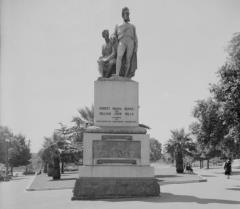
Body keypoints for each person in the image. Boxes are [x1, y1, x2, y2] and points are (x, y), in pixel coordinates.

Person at [112, 7, 138, 78]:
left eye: (128, 13)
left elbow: (135, 37)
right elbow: (114, 34)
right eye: (126, 13)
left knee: (128, 59)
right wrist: (113, 37)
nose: (127, 15)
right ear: (123, 15)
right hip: (122, 41)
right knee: (119, 56)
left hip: (130, 41)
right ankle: (117, 74)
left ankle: (126, 75)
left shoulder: (132, 26)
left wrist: (136, 46)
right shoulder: (118, 25)